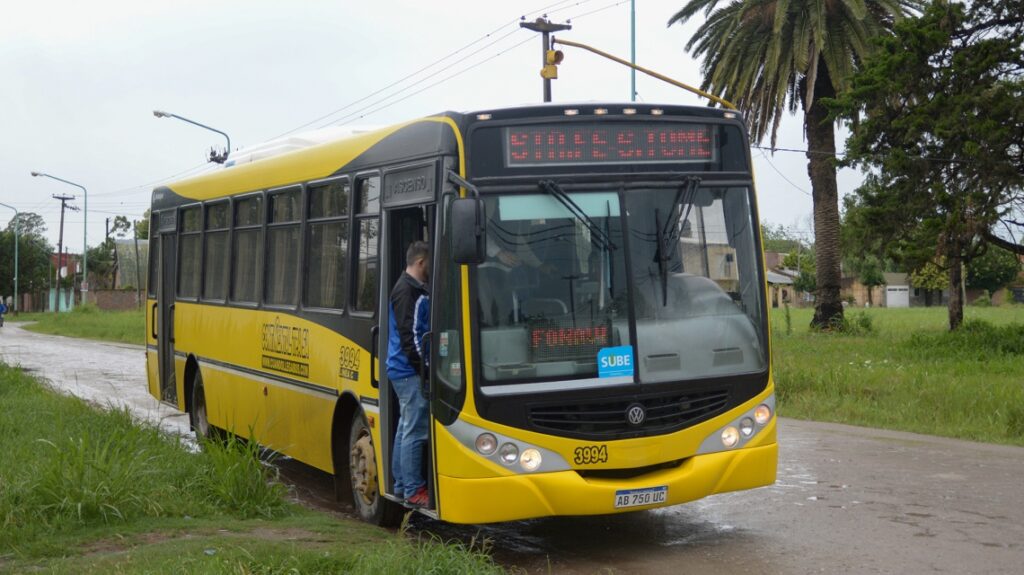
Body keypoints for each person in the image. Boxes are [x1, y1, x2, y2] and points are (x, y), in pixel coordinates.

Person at [385, 240, 431, 508]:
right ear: (421, 262)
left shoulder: (407, 288)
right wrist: (424, 369)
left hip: (401, 369)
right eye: (429, 264)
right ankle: (414, 489)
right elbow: (411, 336)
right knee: (415, 430)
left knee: (405, 428)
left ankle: (402, 485)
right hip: (408, 370)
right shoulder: (408, 292)